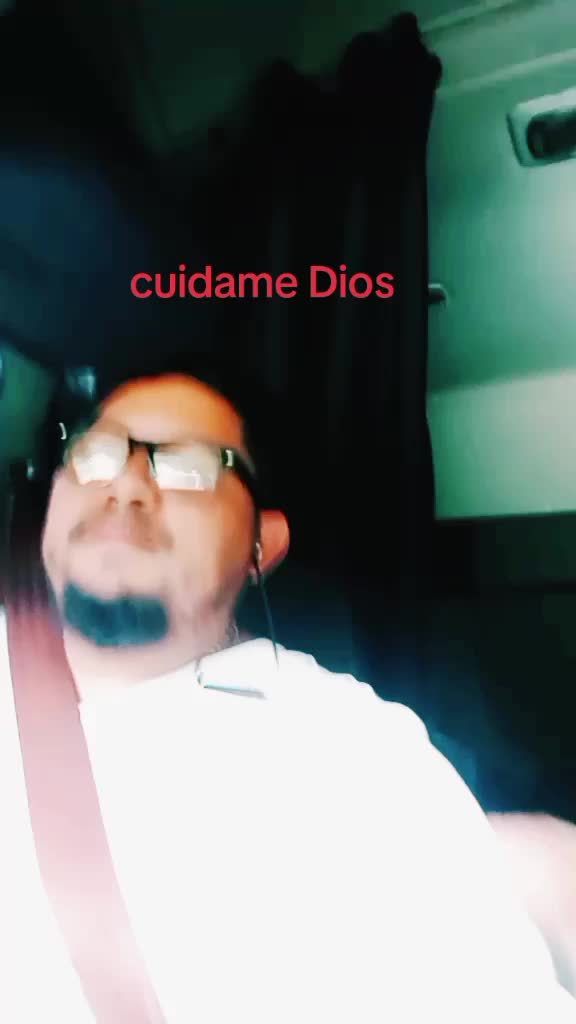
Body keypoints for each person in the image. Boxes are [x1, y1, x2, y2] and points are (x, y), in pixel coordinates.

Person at [1, 362, 574, 1022]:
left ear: (261, 545)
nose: (126, 484)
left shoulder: (345, 747)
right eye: (97, 456)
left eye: (189, 468)